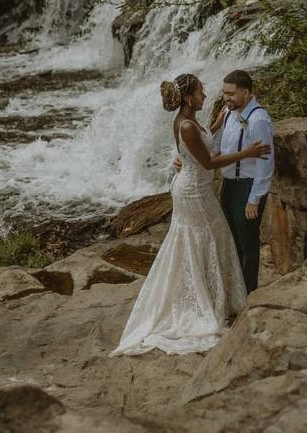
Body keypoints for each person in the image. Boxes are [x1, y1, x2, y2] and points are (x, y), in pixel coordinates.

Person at [110, 73, 271, 356]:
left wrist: (214, 127)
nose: (206, 96)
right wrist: (247, 152)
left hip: (198, 188)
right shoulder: (186, 125)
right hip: (193, 191)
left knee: (210, 239)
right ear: (188, 98)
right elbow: (207, 161)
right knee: (201, 240)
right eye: (201, 92)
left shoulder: (196, 121)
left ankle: (213, 294)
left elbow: (198, 144)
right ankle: (200, 300)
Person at [212, 70, 274, 293]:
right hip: (228, 185)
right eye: (224, 93)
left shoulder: (259, 120)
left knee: (248, 245)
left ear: (246, 93)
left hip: (247, 187)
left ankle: (249, 294)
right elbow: (217, 144)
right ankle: (236, 292)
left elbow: (266, 164)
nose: (226, 98)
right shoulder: (229, 113)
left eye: (231, 93)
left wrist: (254, 199)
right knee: (232, 242)